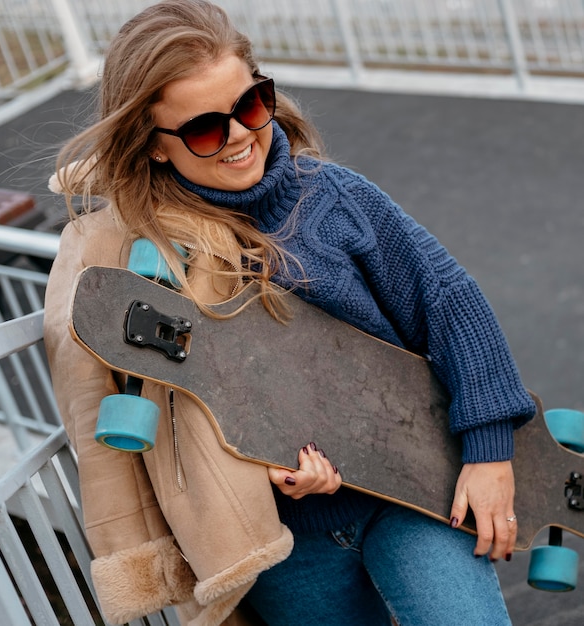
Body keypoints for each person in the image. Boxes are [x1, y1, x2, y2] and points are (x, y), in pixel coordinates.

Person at [43, 1, 537, 625]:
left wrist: (489, 451)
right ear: (155, 146)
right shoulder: (146, 251)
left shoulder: (334, 199)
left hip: (409, 495)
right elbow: (181, 411)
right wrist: (266, 463)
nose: (240, 138)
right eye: (203, 129)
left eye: (251, 106)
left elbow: (448, 302)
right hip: (285, 538)